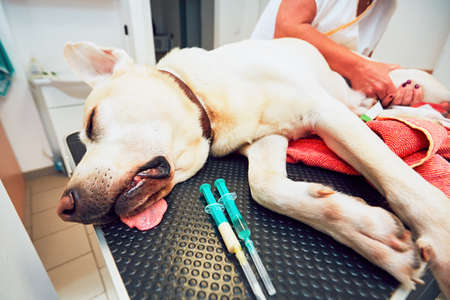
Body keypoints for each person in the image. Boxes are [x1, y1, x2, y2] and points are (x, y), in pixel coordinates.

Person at [252, 0, 424, 107]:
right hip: (264, 82)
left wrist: (387, 91)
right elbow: (287, 29)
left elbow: (358, 72)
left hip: (318, 95)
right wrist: (360, 68)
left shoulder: (386, 6)